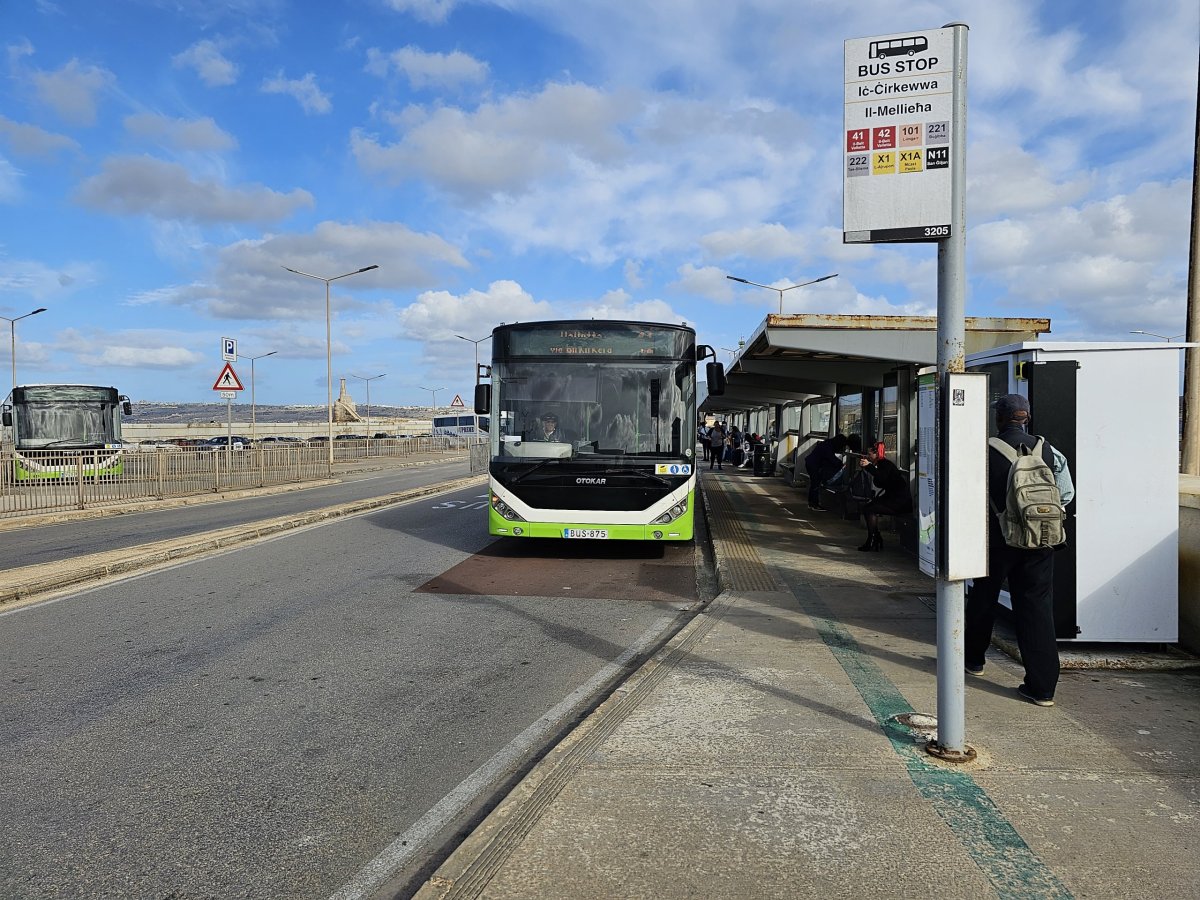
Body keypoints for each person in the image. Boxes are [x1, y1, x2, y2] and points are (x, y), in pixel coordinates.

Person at [965, 394, 1074, 708]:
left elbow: (968, 493)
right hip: (1041, 541)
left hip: (996, 541)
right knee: (1037, 608)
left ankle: (974, 660)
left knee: (983, 597)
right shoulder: (1049, 450)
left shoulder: (985, 450)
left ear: (1000, 418)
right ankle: (1041, 689)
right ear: (1026, 418)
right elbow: (1065, 493)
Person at [854, 443, 912, 550]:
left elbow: (881, 478)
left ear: (876, 453)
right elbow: (880, 481)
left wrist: (869, 467)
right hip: (894, 499)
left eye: (869, 453)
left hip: (899, 502)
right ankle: (874, 537)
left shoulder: (885, 464)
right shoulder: (882, 464)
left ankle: (873, 538)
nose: (867, 456)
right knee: (869, 507)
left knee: (869, 509)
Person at [804, 434, 848, 510]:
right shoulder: (828, 447)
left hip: (811, 463)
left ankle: (812, 503)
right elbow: (831, 458)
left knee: (814, 484)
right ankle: (814, 504)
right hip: (813, 465)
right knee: (815, 484)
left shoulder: (828, 443)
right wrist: (841, 464)